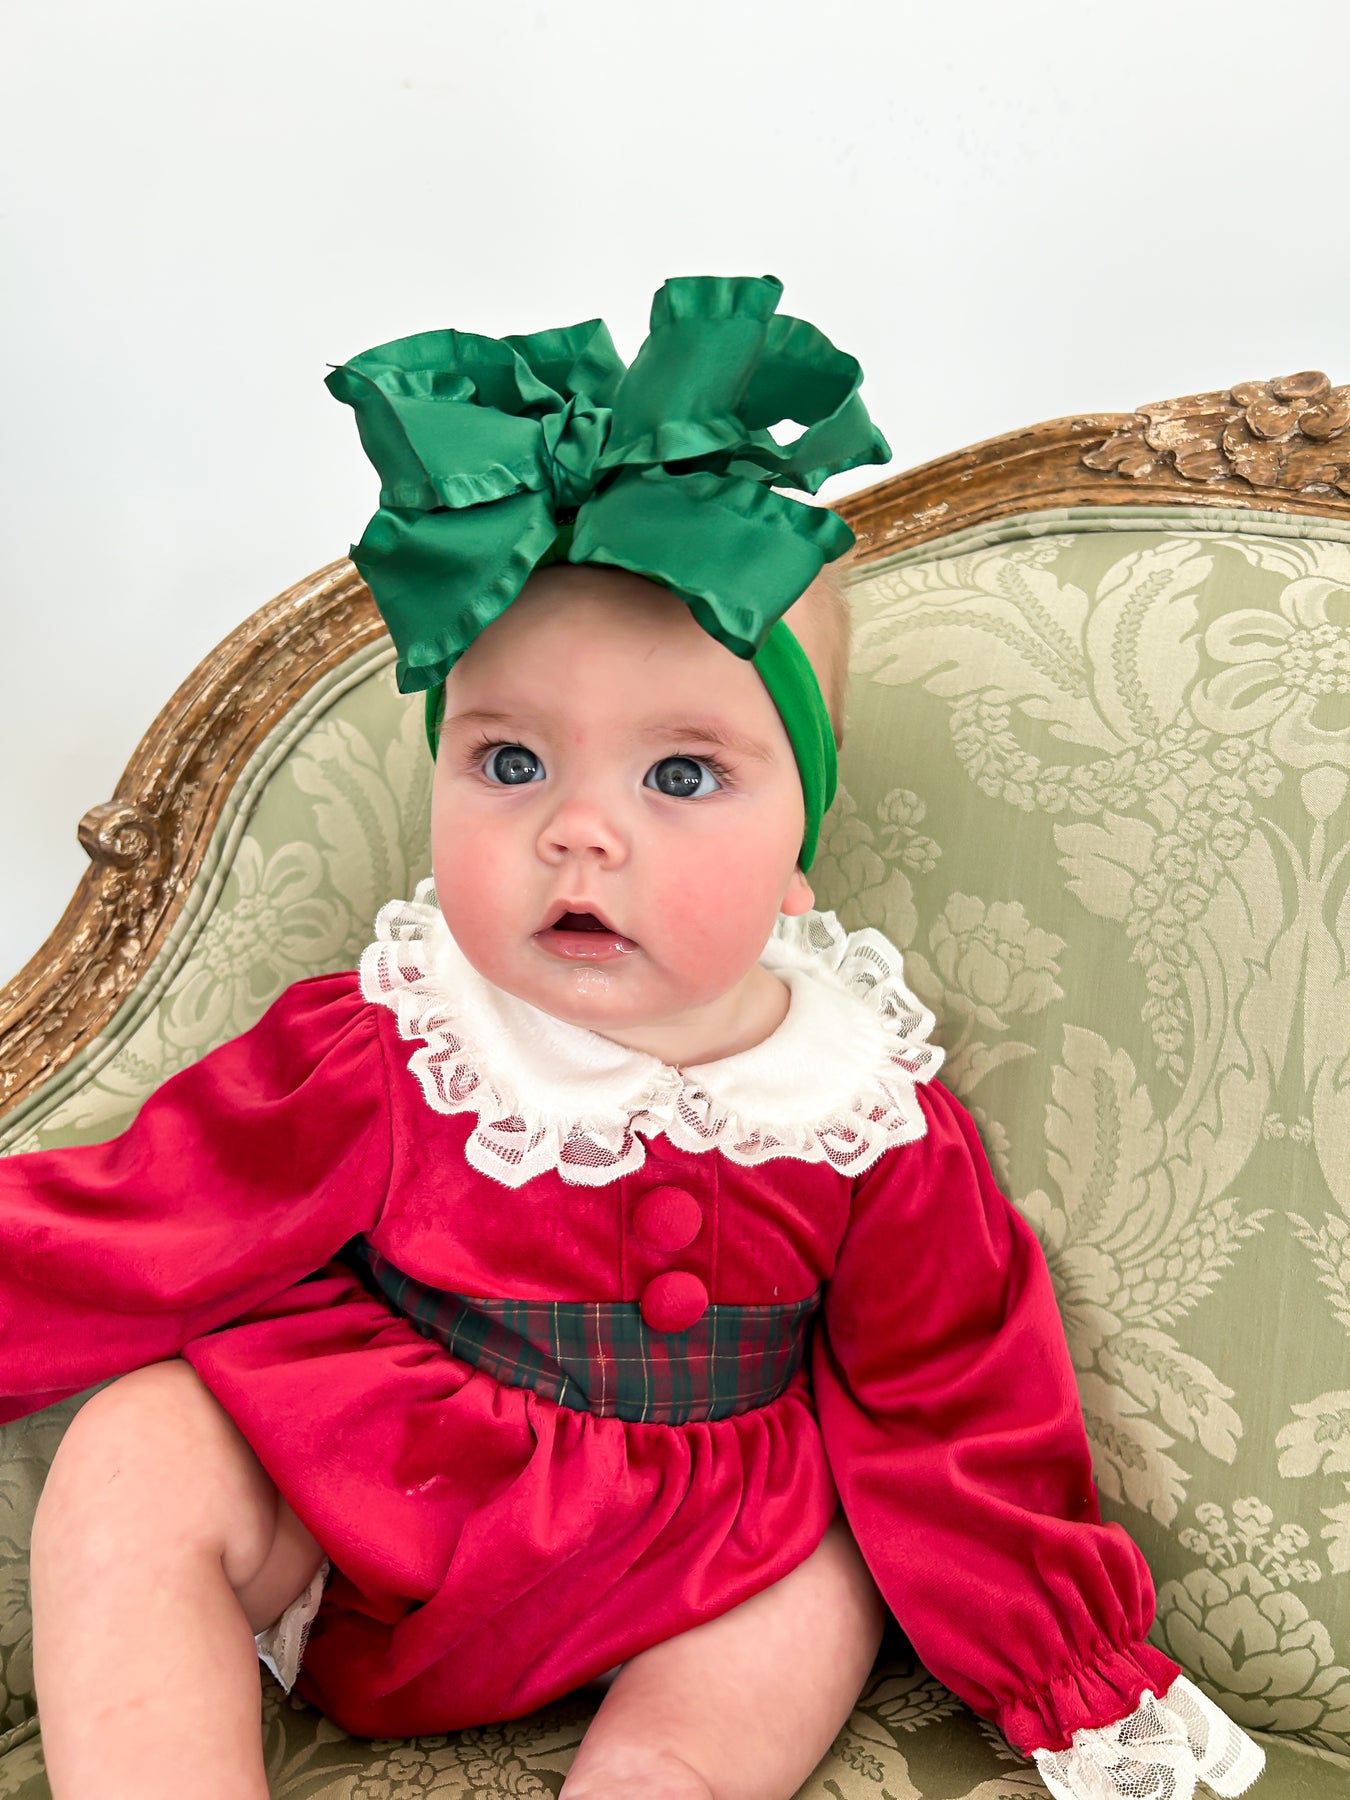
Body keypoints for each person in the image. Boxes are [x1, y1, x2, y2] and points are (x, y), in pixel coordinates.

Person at [0, 277, 1262, 1800]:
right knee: (143, 1447)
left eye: (680, 776)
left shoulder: (861, 1114)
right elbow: (136, 1223)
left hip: (718, 1554)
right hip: (391, 1506)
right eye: (509, 762)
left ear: (799, 851)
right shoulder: (396, 1044)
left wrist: (1065, 1671)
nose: (578, 832)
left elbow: (957, 1411)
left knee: (824, 1584)